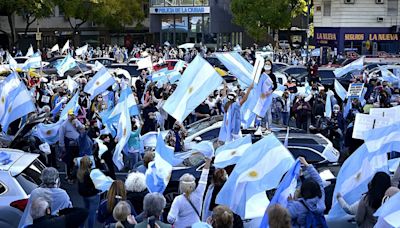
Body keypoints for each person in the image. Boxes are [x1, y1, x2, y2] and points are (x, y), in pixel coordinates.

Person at [167, 158, 211, 227]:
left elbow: (170, 218)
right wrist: (208, 161)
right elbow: (204, 177)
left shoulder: (178, 200)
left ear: (181, 186)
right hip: (196, 225)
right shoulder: (199, 194)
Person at [287, 157, 327, 227]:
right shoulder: (320, 200)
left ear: (302, 191)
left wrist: (290, 202)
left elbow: (284, 217)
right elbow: (319, 182)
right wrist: (307, 165)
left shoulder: (297, 206)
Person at [59, 109, 85, 183]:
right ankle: (68, 175)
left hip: (77, 143)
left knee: (77, 159)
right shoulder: (64, 125)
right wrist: (62, 146)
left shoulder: (76, 121)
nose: (72, 116)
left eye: (73, 115)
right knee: (69, 160)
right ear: (68, 116)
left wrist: (77, 125)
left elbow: (83, 128)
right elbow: (61, 136)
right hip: (69, 144)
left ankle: (75, 175)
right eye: (70, 115)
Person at [77, 156, 101, 228]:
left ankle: (81, 226)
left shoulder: (79, 172)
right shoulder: (90, 173)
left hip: (85, 195)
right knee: (92, 213)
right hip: (93, 195)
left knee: (86, 210)